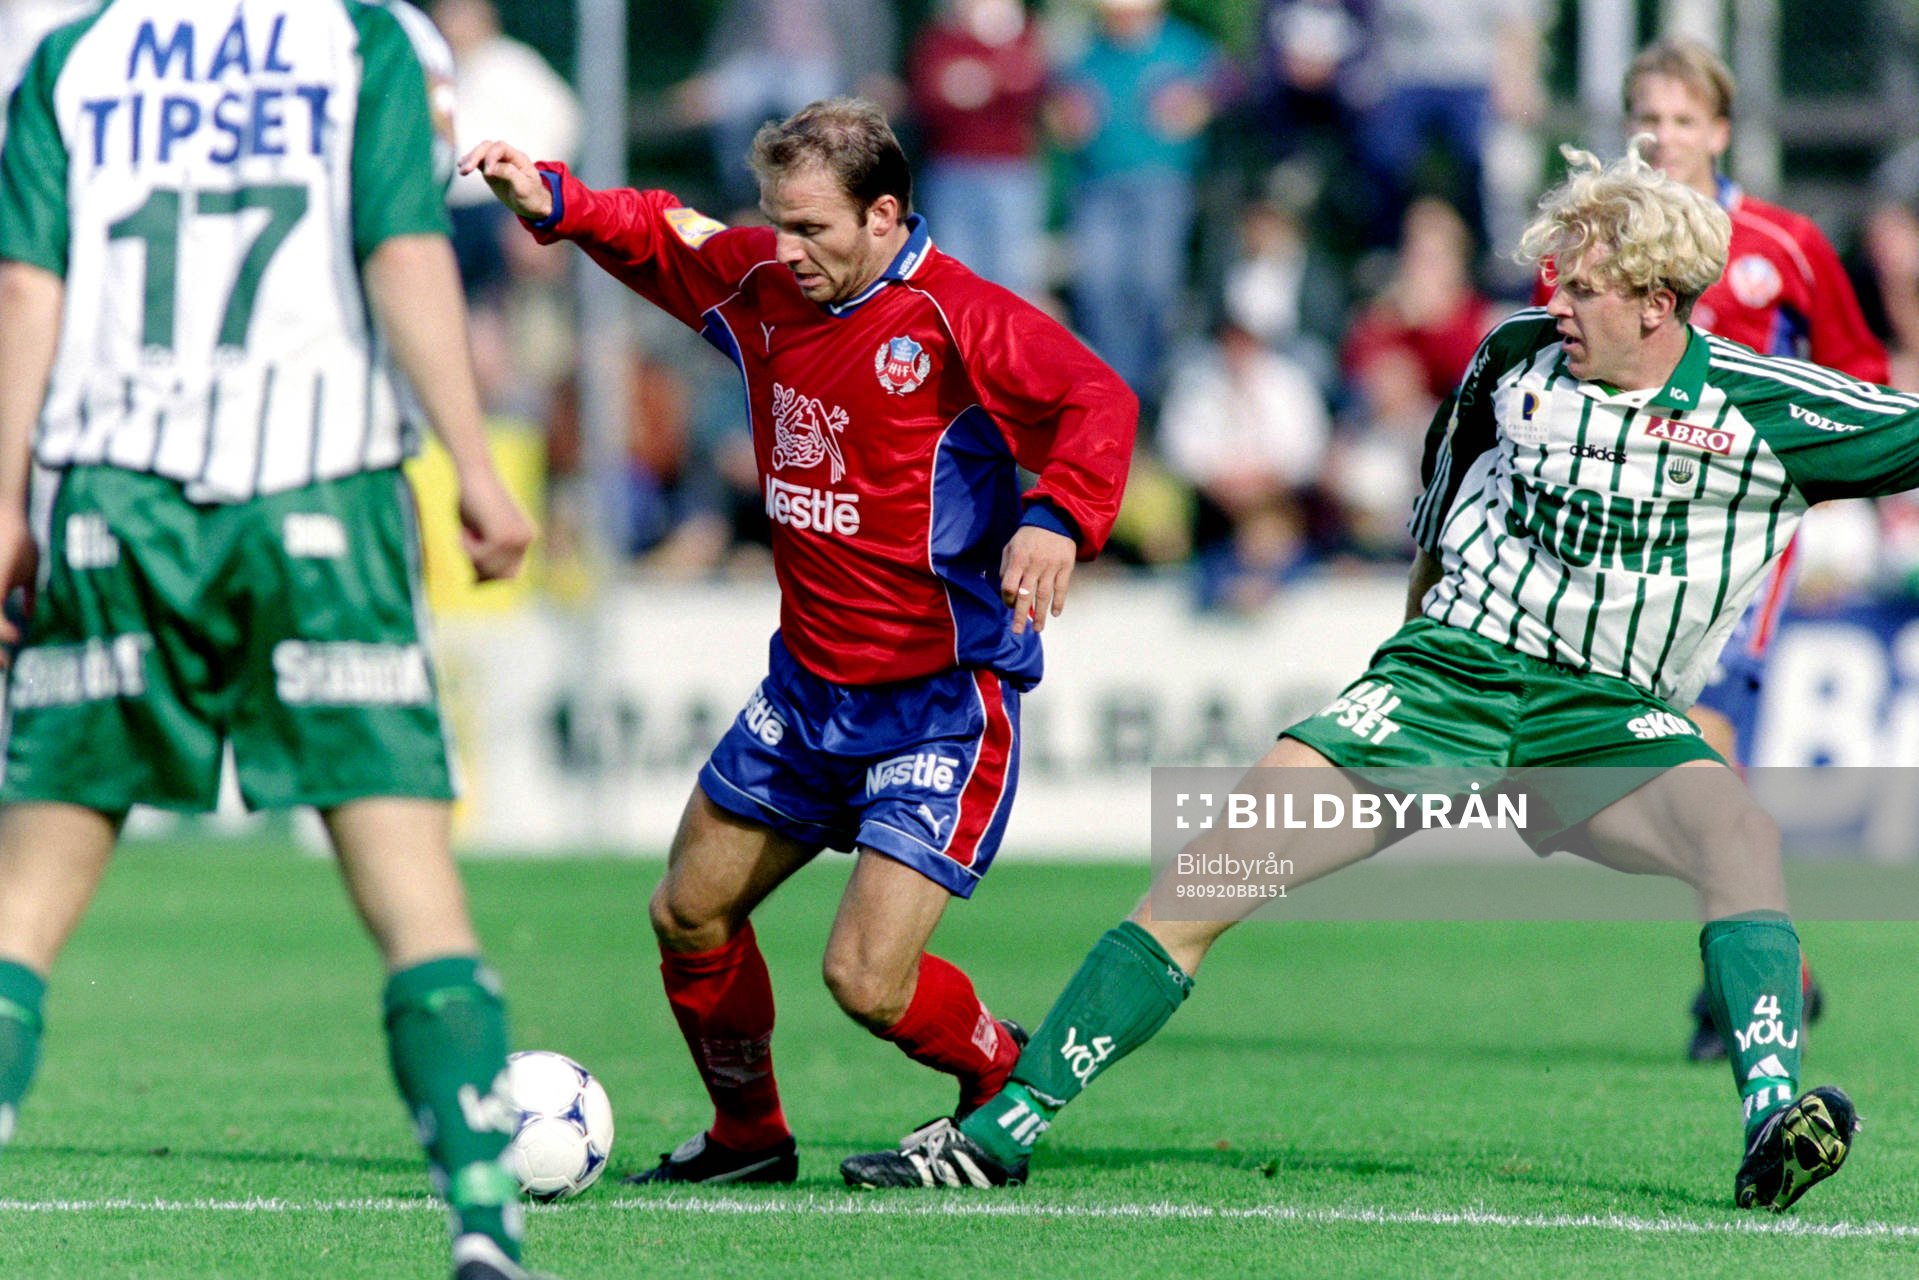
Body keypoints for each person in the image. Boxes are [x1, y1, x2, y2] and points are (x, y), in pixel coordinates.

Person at [840, 140, 1902, 1214]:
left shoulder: (1764, 410)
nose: (1559, 304)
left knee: (1735, 834)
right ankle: (1001, 1127)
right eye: (1557, 283)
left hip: (1602, 712)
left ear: (1657, 301)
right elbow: (1437, 518)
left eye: (1582, 288)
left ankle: (1770, 1118)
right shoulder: (1512, 360)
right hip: (1447, 676)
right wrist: (1397, 671)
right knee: (1210, 873)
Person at [461, 97, 1137, 1184]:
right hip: (808, 693)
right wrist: (557, 200)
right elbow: (661, 234)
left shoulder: (956, 317)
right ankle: (747, 1138)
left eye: (811, 226)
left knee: (866, 980)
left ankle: (1005, 1076)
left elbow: (1093, 399)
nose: (785, 248)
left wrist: (1056, 513)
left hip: (937, 700)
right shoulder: (764, 286)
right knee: (688, 910)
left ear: (883, 214)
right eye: (775, 220)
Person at [0, 6, 539, 1280]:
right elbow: (404, 246)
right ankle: (482, 1221)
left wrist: (5, 493)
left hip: (113, 495)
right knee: (414, 896)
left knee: (22, 907)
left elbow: (27, 283)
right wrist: (470, 460)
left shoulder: (72, 57)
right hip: (322, 491)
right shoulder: (366, 42)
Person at [1611, 38, 1885, 1059]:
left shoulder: (1778, 240)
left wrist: (1827, 487)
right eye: (1648, 115)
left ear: (1718, 131)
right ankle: (1775, 962)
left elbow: (1853, 368)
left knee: (1703, 741)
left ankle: (1752, 973)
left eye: (1683, 119)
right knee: (1651, 768)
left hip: (1746, 539)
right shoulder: (1603, 243)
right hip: (1630, 537)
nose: (1662, 136)